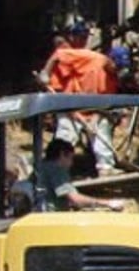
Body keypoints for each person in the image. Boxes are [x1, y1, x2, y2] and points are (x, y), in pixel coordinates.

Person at [37, 20, 122, 177]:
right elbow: (58, 55)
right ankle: (55, 171)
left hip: (92, 111)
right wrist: (45, 73)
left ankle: (106, 167)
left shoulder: (113, 78)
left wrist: (94, 119)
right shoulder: (90, 57)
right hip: (71, 107)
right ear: (109, 60)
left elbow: (103, 102)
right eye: (116, 66)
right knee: (66, 136)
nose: (116, 70)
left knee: (101, 130)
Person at [33, 139, 125, 213]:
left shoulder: (43, 166)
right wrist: (108, 203)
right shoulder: (57, 170)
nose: (72, 163)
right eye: (71, 158)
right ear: (62, 154)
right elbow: (75, 200)